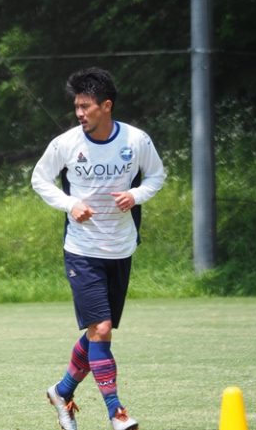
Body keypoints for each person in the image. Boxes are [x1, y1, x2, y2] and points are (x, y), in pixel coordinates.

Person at [31, 67, 166, 430]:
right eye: (76, 106)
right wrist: (70, 204)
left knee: (97, 333)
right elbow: (39, 179)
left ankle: (61, 392)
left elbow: (157, 175)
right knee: (102, 329)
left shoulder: (136, 140)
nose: (79, 113)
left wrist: (135, 195)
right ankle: (116, 412)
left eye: (85, 106)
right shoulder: (66, 143)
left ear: (106, 106)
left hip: (121, 248)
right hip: (82, 249)